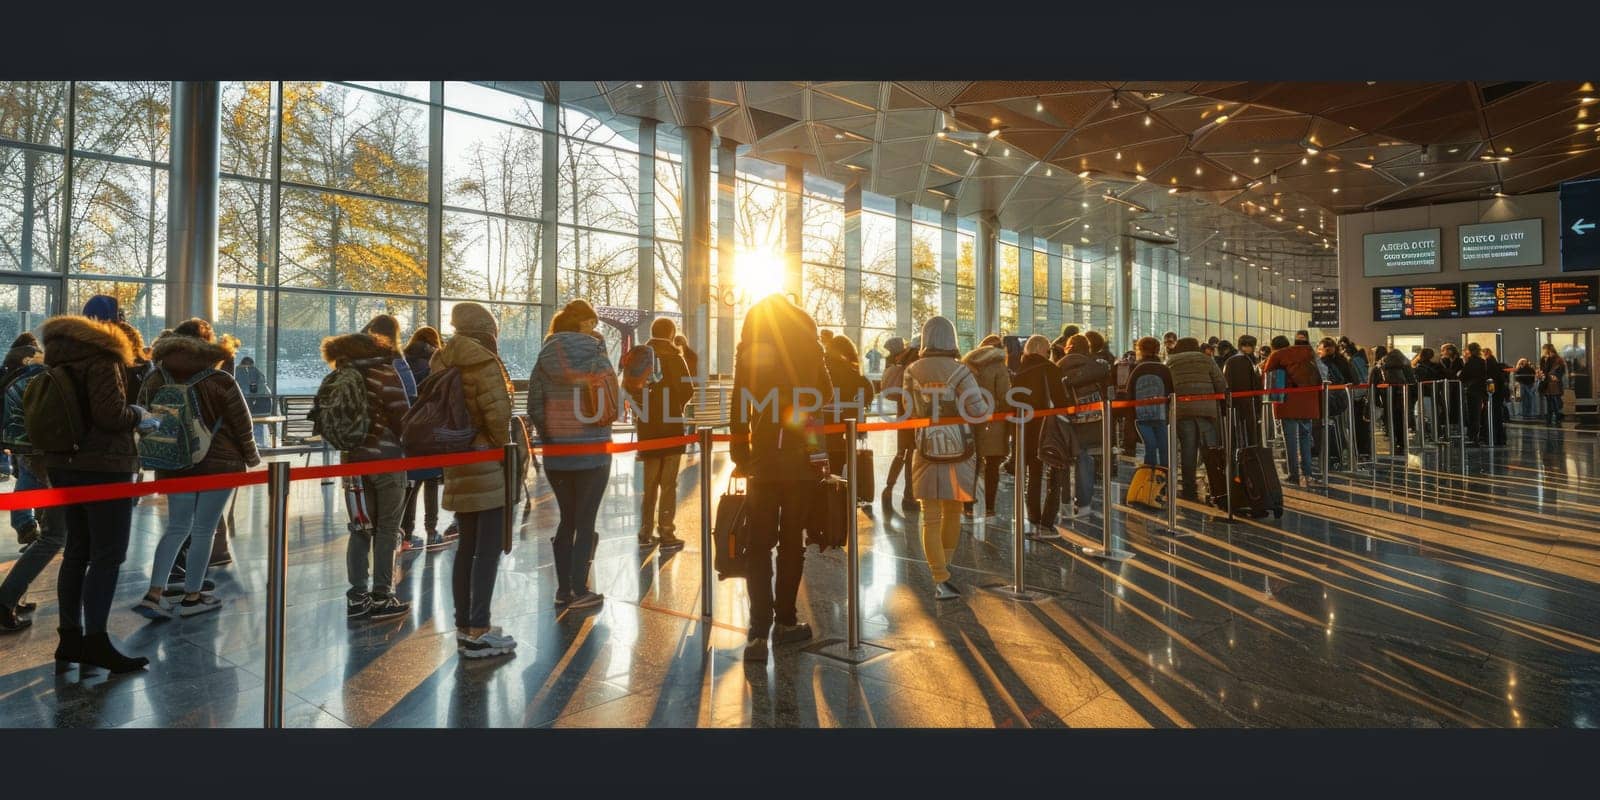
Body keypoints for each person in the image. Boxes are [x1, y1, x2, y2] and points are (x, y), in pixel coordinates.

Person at [41, 296, 159, 671]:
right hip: (104, 466)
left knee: (76, 550)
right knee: (108, 555)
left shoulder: (59, 355)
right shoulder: (104, 357)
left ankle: (70, 638)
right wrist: (139, 414)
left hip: (64, 463)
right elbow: (111, 416)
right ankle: (96, 640)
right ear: (113, 323)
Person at [728, 293, 832, 661]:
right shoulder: (810, 346)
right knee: (792, 543)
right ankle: (786, 621)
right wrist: (818, 452)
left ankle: (757, 632)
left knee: (758, 545)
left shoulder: (751, 349)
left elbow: (740, 401)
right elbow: (823, 398)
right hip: (802, 459)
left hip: (764, 460)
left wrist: (741, 453)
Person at [133, 319, 260, 620]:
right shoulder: (219, 379)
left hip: (174, 462)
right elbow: (242, 424)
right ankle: (193, 596)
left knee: (176, 527)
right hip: (219, 463)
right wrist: (252, 458)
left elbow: (141, 416)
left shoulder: (155, 379)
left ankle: (154, 593)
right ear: (207, 344)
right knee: (204, 529)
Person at [434, 303, 518, 658]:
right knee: (488, 549)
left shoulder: (443, 360)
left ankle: (464, 624)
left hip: (456, 460)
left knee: (466, 548)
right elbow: (498, 417)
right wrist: (503, 446)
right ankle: (480, 629)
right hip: (486, 462)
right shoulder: (484, 362)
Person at [528, 299, 616, 611]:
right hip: (593, 450)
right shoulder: (596, 351)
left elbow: (534, 403)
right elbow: (611, 399)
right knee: (585, 519)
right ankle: (580, 588)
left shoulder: (545, 355)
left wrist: (550, 434)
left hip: (557, 452)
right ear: (583, 323)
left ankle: (563, 589)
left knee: (567, 519)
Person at [321, 324, 413, 622]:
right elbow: (403, 417)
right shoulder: (385, 373)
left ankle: (357, 597)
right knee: (387, 529)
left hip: (352, 464)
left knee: (360, 529)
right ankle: (382, 596)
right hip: (387, 460)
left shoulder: (338, 376)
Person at [904, 316, 991, 600]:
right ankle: (946, 569)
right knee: (952, 510)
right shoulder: (961, 371)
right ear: (951, 339)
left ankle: (939, 575)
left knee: (929, 516)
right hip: (960, 448)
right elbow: (978, 410)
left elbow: (907, 411)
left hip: (925, 447)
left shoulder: (911, 370)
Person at [0, 333, 58, 632]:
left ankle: (12, 597)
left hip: (21, 444)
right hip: (45, 452)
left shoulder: (17, 367)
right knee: (54, 535)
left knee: (51, 532)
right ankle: (6, 600)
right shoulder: (49, 374)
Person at [635, 317, 693, 551]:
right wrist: (674, 407)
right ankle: (666, 532)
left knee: (649, 484)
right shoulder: (676, 358)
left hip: (648, 427)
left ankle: (645, 531)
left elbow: (630, 388)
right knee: (668, 484)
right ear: (671, 334)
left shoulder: (641, 356)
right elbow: (687, 389)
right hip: (671, 427)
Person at [400, 326, 449, 550]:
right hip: (431, 428)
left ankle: (407, 534)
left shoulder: (403, 361)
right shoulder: (436, 362)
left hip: (409, 429)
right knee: (430, 482)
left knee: (411, 484)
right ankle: (431, 530)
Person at [1012, 335, 1068, 532]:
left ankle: (1033, 516)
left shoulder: (1019, 370)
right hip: (1050, 428)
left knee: (1033, 473)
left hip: (1026, 427)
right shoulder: (1051, 369)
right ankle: (1048, 519)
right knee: (1055, 471)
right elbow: (1061, 401)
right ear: (1044, 350)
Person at [1167, 337, 1227, 502]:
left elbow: (1168, 386)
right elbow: (1221, 383)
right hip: (1206, 410)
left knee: (1188, 449)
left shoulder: (1171, 362)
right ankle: (1216, 486)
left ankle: (1188, 488)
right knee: (1211, 448)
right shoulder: (1206, 360)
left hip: (1182, 410)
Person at [961, 334, 1010, 519]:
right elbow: (1004, 395)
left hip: (969, 419)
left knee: (971, 463)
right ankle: (989, 507)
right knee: (992, 465)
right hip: (994, 421)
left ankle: (968, 505)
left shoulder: (966, 363)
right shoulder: (999, 366)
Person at [1056, 334, 1105, 518]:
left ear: (1068, 347)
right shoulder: (1095, 366)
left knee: (1063, 462)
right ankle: (1084, 505)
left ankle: (1065, 504)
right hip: (1092, 418)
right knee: (1084, 459)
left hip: (1066, 420)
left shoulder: (1058, 367)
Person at [1262, 334, 1320, 484]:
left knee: (1290, 440)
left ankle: (1293, 474)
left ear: (1274, 346)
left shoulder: (1277, 355)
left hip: (1287, 403)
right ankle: (1308, 473)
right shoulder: (1308, 353)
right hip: (1307, 401)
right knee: (1305, 437)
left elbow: (1267, 376)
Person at [821, 334, 874, 480]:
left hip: (822, 439)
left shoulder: (823, 377)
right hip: (848, 439)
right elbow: (867, 399)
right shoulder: (860, 380)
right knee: (845, 479)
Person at [880, 336, 919, 511]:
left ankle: (889, 488)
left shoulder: (902, 360)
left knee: (902, 452)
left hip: (903, 413)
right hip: (914, 414)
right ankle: (909, 495)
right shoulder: (917, 363)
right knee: (911, 454)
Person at [1127, 337, 1173, 468]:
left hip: (1140, 416)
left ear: (1140, 350)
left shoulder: (1135, 368)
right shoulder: (1164, 369)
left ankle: (1149, 479)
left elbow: (1129, 393)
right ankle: (1165, 478)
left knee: (1150, 446)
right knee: (1164, 447)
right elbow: (1171, 391)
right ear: (1158, 350)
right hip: (1161, 415)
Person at [1370, 345, 1418, 455]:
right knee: (1403, 418)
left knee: (1390, 417)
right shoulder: (1406, 364)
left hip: (1387, 395)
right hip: (1404, 395)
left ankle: (1393, 440)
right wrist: (1414, 397)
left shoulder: (1381, 364)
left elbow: (1374, 382)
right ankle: (1402, 443)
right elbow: (1412, 381)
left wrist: (1376, 399)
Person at [1224, 335, 1261, 447]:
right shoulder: (1245, 360)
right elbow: (1255, 382)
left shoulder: (1230, 360)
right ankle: (1250, 453)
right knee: (1249, 430)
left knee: (1236, 429)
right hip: (1247, 400)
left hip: (1233, 400)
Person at [1413, 348, 1447, 442]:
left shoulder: (1417, 367)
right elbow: (1444, 375)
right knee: (1432, 416)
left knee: (1419, 415)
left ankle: (1421, 435)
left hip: (1420, 394)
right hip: (1432, 393)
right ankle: (1434, 435)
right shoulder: (1437, 366)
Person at [1461, 342, 1489, 445]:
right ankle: (1476, 436)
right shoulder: (1482, 361)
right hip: (1480, 390)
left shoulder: (1469, 362)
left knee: (1472, 414)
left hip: (1471, 389)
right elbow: (1484, 376)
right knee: (1477, 414)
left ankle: (1473, 436)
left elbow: (1463, 376)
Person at [1485, 348, 1509, 445]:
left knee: (1494, 415)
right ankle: (1500, 438)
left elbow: (1490, 380)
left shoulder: (1489, 365)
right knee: (1498, 415)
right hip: (1499, 393)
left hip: (1494, 394)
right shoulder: (1495, 364)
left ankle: (1494, 438)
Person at [1538, 343, 1566, 426]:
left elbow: (1560, 371)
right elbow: (1543, 370)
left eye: (1544, 349)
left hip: (1554, 385)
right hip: (1546, 384)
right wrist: (1540, 374)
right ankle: (1549, 420)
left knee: (1555, 402)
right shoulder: (1544, 359)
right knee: (1549, 403)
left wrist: (1555, 376)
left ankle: (1558, 419)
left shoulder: (1558, 359)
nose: (1543, 351)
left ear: (1548, 350)